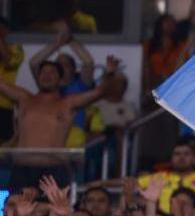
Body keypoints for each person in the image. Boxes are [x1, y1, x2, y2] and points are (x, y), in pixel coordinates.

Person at [0, 54, 119, 190]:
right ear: (37, 78)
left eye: (52, 72)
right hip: (22, 169)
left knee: (57, 211)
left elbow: (100, 92)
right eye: (43, 72)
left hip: (54, 169)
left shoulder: (68, 103)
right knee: (15, 210)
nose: (47, 75)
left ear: (61, 80)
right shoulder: (24, 99)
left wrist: (109, 74)